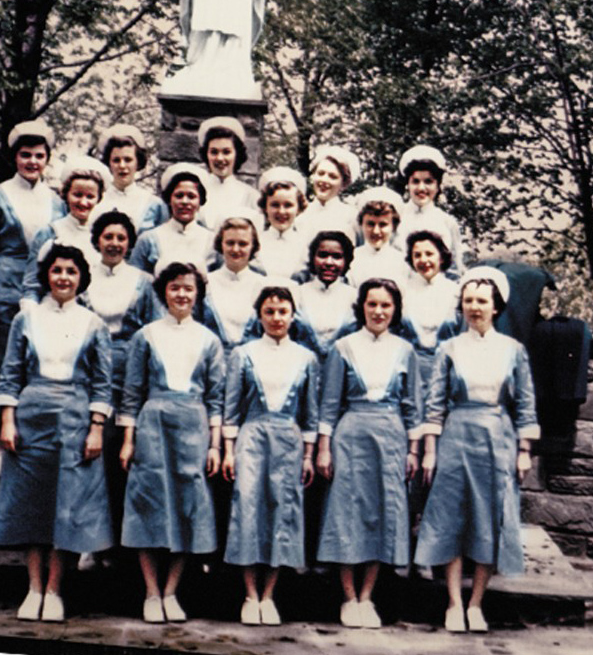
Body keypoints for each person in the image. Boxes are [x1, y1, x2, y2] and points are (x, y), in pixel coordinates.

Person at [0, 243, 113, 623]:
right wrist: (8, 419)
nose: (63, 278)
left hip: (75, 419)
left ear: (81, 279)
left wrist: (96, 429)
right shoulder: (27, 320)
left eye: (71, 272)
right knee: (31, 504)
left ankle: (56, 590)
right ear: (46, 275)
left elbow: (103, 385)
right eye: (57, 270)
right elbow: (9, 373)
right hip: (32, 418)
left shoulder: (94, 324)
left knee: (68, 507)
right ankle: (34, 588)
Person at [414, 267, 540, 634]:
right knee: (451, 517)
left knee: (489, 518)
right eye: (468, 300)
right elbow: (434, 404)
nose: (474, 307)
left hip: (498, 440)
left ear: (496, 307)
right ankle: (454, 603)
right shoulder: (449, 348)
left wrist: (524, 449)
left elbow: (525, 405)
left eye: (481, 301)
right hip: (456, 438)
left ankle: (476, 604)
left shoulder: (512, 350)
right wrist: (430, 450)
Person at [118, 261, 225, 624]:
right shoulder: (145, 336)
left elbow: (216, 398)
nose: (182, 294)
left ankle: (171, 592)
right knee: (148, 504)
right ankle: (150, 591)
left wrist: (214, 445)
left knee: (187, 506)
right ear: (164, 291)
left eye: (188, 288)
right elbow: (131, 393)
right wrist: (128, 439)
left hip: (193, 428)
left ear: (198, 294)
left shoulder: (209, 340)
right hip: (153, 426)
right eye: (175, 287)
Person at [315, 278, 423, 628]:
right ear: (361, 306)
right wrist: (324, 449)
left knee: (382, 514)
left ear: (395, 310)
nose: (378, 311)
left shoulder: (405, 350)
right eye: (372, 304)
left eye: (385, 306)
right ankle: (348, 598)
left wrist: (413, 451)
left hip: (391, 438)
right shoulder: (343, 347)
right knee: (347, 514)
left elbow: (412, 407)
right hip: (351, 437)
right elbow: (329, 405)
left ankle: (367, 597)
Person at [222, 284, 320, 625]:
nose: (276, 318)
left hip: (289, 440)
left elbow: (311, 413)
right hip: (252, 438)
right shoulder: (243, 353)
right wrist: (228, 452)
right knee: (249, 508)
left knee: (284, 509)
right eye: (269, 312)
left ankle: (270, 596)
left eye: (282, 312)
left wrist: (309, 455)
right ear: (259, 314)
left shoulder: (306, 357)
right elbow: (231, 410)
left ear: (293, 316)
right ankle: (250, 595)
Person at [0, 119, 64, 474]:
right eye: (26, 155)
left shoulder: (56, 201)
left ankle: (30, 439)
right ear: (15, 157)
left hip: (42, 293)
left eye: (39, 156)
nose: (32, 162)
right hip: (4, 294)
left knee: (38, 367)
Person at [78, 210, 159, 567]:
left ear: (130, 243)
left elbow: (155, 331)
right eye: (108, 236)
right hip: (89, 369)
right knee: (90, 453)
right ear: (97, 239)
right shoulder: (82, 276)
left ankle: (125, 542)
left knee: (124, 456)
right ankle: (90, 541)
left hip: (130, 372)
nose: (114, 243)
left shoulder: (143, 280)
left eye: (121, 238)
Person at [22, 156, 110, 304]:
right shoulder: (49, 233)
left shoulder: (102, 237)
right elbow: (32, 287)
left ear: (98, 199)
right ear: (66, 194)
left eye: (90, 196)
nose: (83, 202)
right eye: (77, 195)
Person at [128, 163, 214, 275]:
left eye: (191, 196)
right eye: (179, 196)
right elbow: (136, 281)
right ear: (169, 199)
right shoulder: (148, 239)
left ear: (200, 202)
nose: (184, 202)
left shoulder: (212, 241)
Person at [394, 145, 465, 273]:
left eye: (428, 181)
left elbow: (455, 267)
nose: (421, 188)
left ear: (438, 186)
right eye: (415, 181)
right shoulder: (395, 218)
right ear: (407, 185)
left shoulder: (447, 223)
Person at [401, 230, 461, 381]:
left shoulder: (456, 293)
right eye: (417, 255)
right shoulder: (403, 293)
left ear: (441, 257)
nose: (423, 260)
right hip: (411, 371)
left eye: (429, 254)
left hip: (449, 372)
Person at [200, 216, 266, 352]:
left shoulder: (263, 285)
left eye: (243, 244)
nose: (236, 249)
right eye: (230, 243)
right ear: (221, 244)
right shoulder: (206, 283)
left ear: (253, 246)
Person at [91, 123, 166, 234]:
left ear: (138, 162)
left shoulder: (153, 204)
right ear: (108, 163)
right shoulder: (95, 200)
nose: (122, 166)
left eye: (128, 160)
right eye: (116, 160)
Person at [295, 230, 357, 359]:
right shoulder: (297, 294)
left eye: (337, 256)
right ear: (313, 258)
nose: (329, 262)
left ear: (346, 260)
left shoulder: (355, 297)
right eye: (322, 255)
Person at [196, 116, 260, 231]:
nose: (220, 158)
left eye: (226, 152)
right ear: (206, 154)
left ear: (237, 154)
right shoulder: (194, 193)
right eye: (214, 152)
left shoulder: (251, 196)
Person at [295, 145, 360, 245]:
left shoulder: (352, 217)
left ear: (344, 184)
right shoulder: (300, 216)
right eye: (321, 174)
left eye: (332, 177)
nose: (324, 180)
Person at [348, 186, 409, 291]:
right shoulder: (351, 259)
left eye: (383, 224)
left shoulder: (403, 262)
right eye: (370, 224)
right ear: (361, 224)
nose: (376, 231)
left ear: (393, 226)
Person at [255, 166, 308, 278]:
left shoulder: (306, 245)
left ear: (298, 208)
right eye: (275, 205)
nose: (281, 211)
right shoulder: (254, 243)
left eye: (288, 205)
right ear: (265, 207)